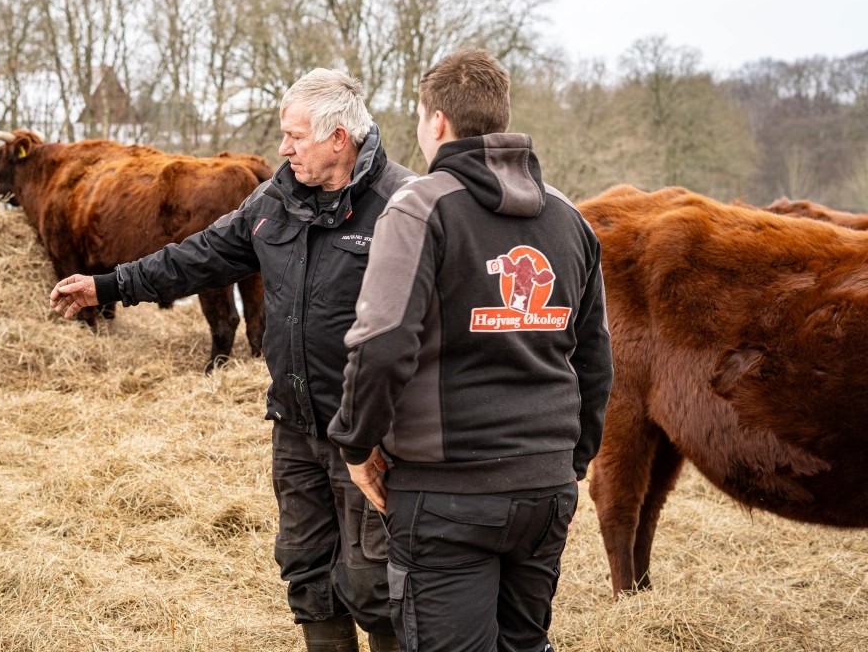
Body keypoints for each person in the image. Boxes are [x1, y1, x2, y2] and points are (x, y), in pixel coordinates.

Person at [49, 69, 415, 652]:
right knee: (306, 573)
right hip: (295, 427)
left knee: (376, 583)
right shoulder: (276, 202)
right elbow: (197, 257)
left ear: (339, 137)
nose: (283, 148)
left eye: (296, 136)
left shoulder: (403, 204)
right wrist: (108, 286)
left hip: (371, 435)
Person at [326, 48, 614, 652]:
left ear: (436, 122)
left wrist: (355, 443)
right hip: (545, 489)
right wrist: (570, 462)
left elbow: (381, 346)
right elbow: (595, 363)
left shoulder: (419, 207)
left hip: (446, 493)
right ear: (502, 117)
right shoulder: (570, 220)